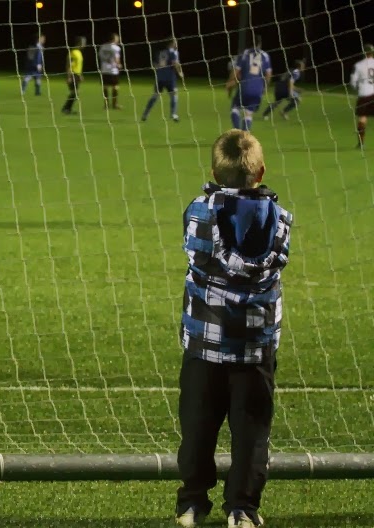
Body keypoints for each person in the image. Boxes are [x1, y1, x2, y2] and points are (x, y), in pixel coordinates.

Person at [175, 130, 293, 528]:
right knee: (251, 431)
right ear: (260, 172)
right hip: (255, 347)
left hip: (204, 343)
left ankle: (191, 503)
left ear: (213, 172)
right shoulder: (280, 219)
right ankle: (243, 509)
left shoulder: (198, 211)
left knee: (197, 426)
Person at [226, 35, 272, 131]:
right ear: (260, 43)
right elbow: (268, 74)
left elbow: (236, 71)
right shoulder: (265, 56)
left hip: (245, 86)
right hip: (257, 89)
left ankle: (237, 131)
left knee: (235, 107)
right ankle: (245, 136)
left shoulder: (244, 53)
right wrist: (265, 87)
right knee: (248, 113)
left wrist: (230, 83)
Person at [141, 37, 183, 122]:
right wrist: (180, 73)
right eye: (175, 42)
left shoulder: (160, 52)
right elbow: (175, 63)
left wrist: (159, 70)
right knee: (174, 95)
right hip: (169, 78)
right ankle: (173, 114)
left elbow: (154, 64)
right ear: (171, 43)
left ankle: (145, 114)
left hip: (160, 78)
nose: (176, 44)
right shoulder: (173, 53)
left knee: (155, 96)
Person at [350, 43, 374, 148]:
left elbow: (353, 82)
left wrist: (357, 88)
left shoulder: (358, 65)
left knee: (362, 118)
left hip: (364, 94)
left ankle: (361, 143)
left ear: (364, 53)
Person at [61, 36, 86, 115]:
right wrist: (68, 77)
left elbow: (78, 65)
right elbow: (69, 65)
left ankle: (67, 109)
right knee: (74, 92)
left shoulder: (79, 53)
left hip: (77, 75)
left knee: (75, 93)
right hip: (72, 75)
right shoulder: (73, 52)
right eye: (83, 43)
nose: (84, 45)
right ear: (79, 43)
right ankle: (66, 108)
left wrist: (80, 75)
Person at [99, 33, 122, 109]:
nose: (118, 40)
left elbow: (100, 56)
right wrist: (119, 65)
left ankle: (106, 104)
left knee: (105, 87)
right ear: (114, 39)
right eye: (117, 38)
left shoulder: (102, 47)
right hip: (113, 70)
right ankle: (115, 104)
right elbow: (116, 58)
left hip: (104, 69)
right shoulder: (116, 48)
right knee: (115, 87)